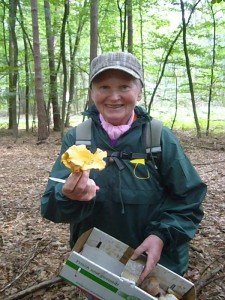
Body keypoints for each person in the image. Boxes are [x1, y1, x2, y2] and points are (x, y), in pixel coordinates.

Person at [41, 52, 207, 294]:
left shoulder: (158, 137)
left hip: (156, 265)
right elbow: (50, 206)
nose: (114, 96)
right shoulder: (79, 139)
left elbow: (189, 198)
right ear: (92, 93)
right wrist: (68, 196)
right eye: (104, 87)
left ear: (138, 92)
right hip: (98, 261)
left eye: (124, 87)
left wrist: (161, 236)